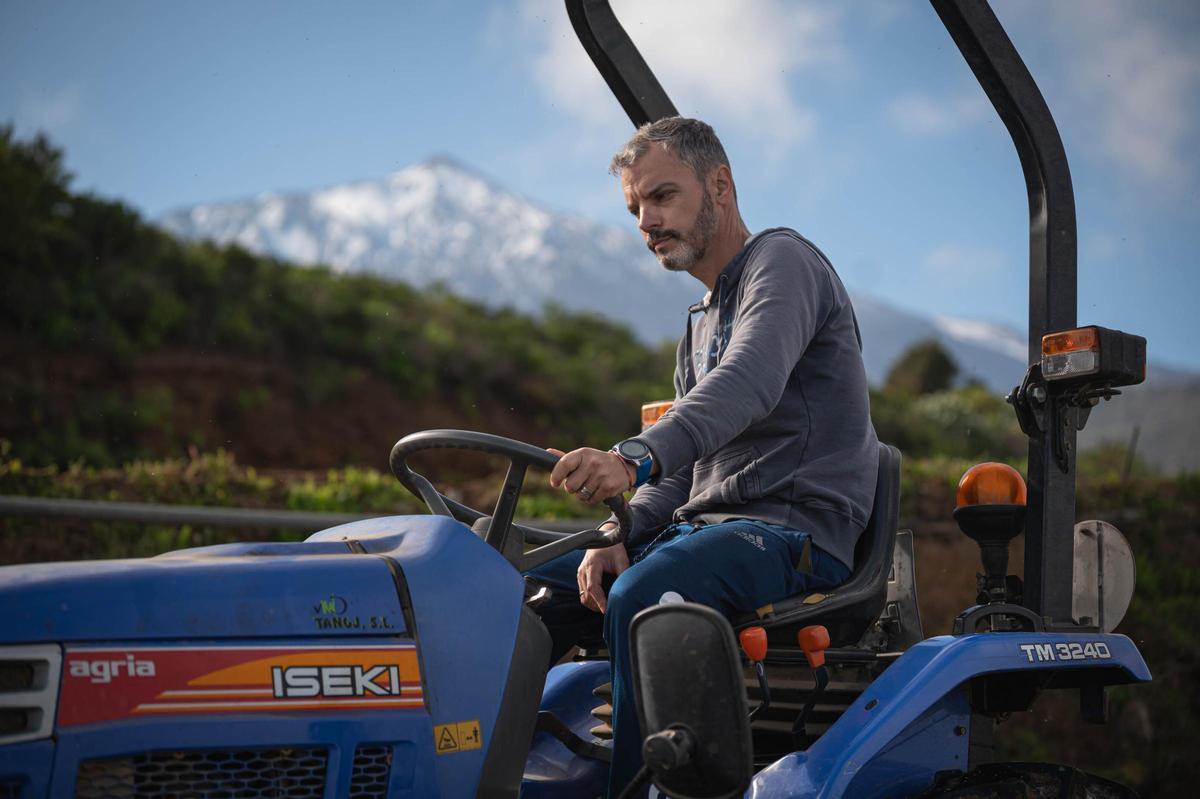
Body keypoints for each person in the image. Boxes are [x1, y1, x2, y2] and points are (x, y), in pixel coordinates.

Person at [527, 117, 878, 797]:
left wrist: (631, 458)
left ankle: (643, 790)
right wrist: (620, 528)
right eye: (635, 208)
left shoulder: (784, 263)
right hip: (703, 530)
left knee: (640, 593)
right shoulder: (699, 323)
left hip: (792, 530)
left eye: (661, 197)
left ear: (719, 185)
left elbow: (747, 381)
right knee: (525, 578)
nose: (646, 221)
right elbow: (685, 474)